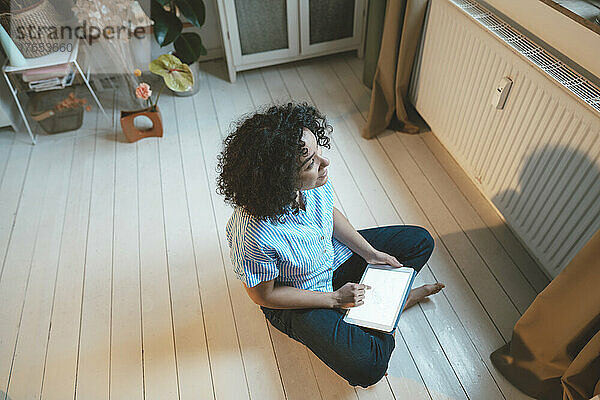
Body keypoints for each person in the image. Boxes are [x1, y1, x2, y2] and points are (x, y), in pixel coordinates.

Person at [216, 102, 444, 388]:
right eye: (311, 163)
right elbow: (264, 296)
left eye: (317, 153)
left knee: (419, 241)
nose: (325, 164)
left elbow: (328, 214)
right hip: (299, 296)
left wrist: (370, 253)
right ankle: (386, 309)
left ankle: (374, 312)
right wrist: (334, 299)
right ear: (278, 181)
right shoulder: (254, 234)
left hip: (331, 259)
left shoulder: (313, 180)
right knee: (368, 367)